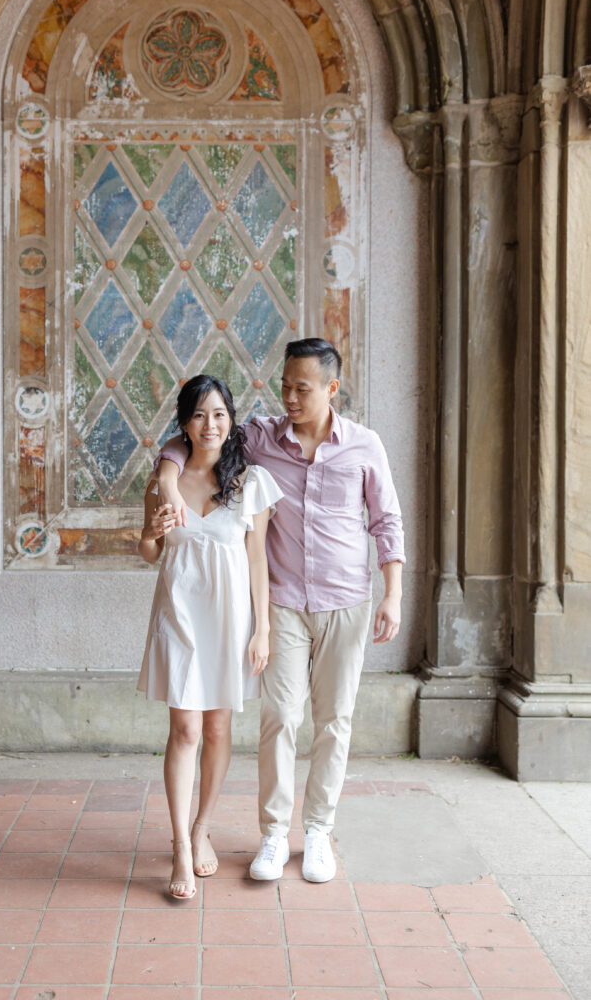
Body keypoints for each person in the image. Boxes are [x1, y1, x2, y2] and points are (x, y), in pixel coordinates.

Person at [155, 338, 405, 885]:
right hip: (284, 602)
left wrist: (393, 592)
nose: (289, 396)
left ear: (331, 389)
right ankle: (274, 832)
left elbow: (387, 520)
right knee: (279, 717)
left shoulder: (364, 445)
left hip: (346, 600)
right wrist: (168, 480)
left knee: (334, 721)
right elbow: (195, 436)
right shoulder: (262, 436)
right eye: (284, 385)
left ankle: (317, 831)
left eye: (302, 388)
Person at [137, 374, 282, 900]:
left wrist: (262, 629)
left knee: (219, 731)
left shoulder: (251, 483)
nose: (210, 424)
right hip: (178, 616)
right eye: (199, 415)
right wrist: (151, 534)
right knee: (185, 733)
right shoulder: (160, 480)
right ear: (184, 424)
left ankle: (203, 829)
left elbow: (258, 561)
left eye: (219, 413)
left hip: (229, 620)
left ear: (231, 419)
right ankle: (178, 844)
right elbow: (150, 553)